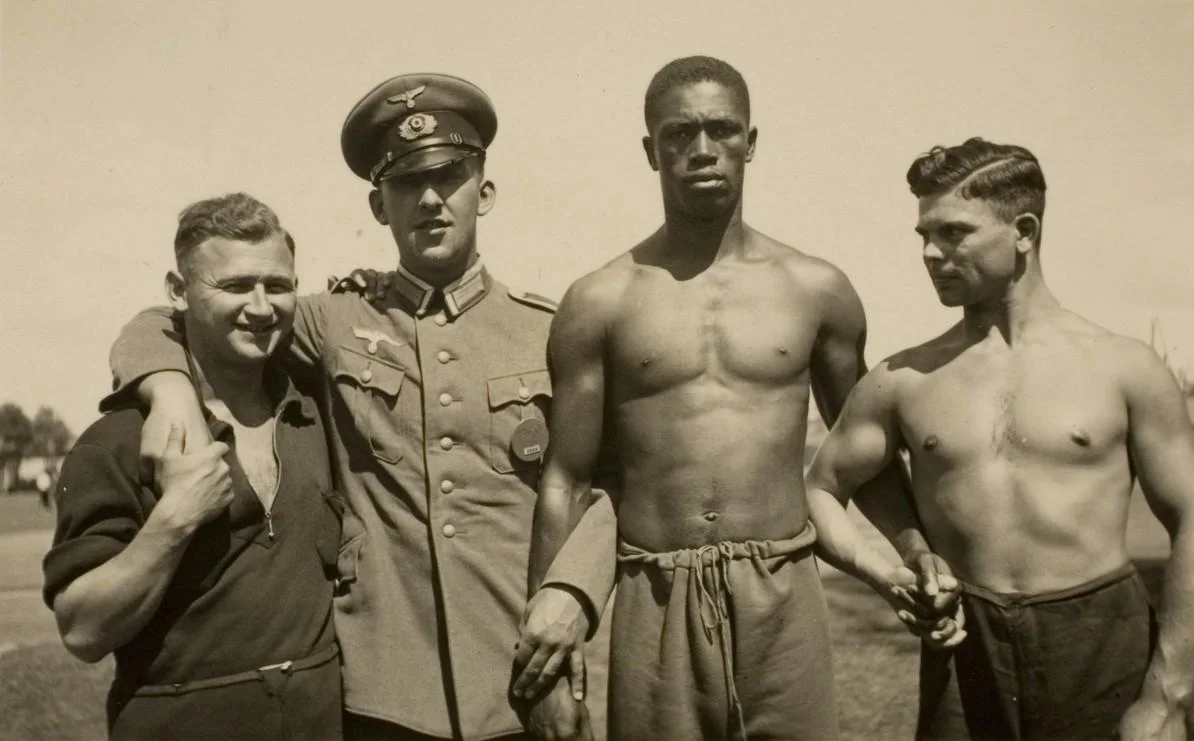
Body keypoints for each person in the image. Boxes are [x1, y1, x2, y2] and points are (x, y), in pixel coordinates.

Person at [104, 74, 614, 741]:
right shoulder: (331, 322)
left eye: (450, 175)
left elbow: (612, 483)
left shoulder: (550, 330)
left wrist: (571, 595)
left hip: (520, 671)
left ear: (484, 192)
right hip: (385, 689)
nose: (430, 199)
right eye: (405, 183)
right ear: (378, 206)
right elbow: (173, 319)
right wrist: (166, 386)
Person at [516, 55, 958, 741]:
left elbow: (861, 450)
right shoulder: (598, 300)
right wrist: (546, 646)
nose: (701, 150)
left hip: (783, 591)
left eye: (721, 130)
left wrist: (913, 550)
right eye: (678, 134)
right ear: (650, 149)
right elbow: (568, 479)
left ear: (751, 141)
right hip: (653, 595)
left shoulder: (818, 290)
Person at [803, 137, 1194, 741]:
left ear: (1024, 231)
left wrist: (1169, 692)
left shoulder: (1125, 368)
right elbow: (821, 490)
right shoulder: (904, 380)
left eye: (954, 232)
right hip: (966, 643)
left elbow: (1191, 517)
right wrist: (893, 570)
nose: (931, 254)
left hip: (1098, 638)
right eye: (923, 236)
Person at [43, 193, 343, 740]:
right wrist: (175, 519)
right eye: (233, 286)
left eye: (278, 285)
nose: (260, 307)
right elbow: (83, 631)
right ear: (178, 292)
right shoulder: (116, 441)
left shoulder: (319, 413)